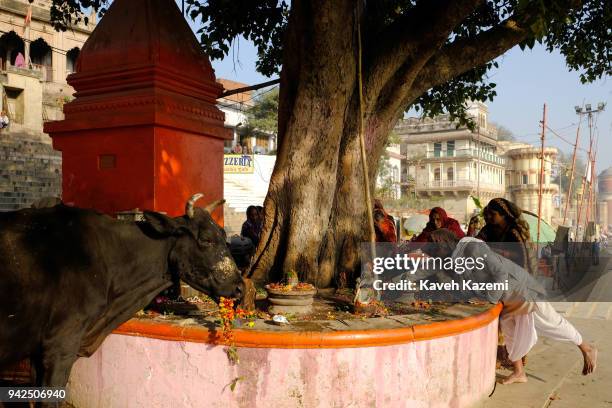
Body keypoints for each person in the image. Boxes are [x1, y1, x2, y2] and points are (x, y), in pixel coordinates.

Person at [425, 229, 597, 385]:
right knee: (510, 334)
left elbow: (500, 273)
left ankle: (586, 347)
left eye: (435, 249)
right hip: (505, 298)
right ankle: (519, 372)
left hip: (521, 290)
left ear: (443, 243)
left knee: (552, 321)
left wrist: (490, 298)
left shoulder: (471, 248)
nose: (435, 253)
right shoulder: (455, 258)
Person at [477, 198, 537, 275]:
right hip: (493, 269)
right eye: (488, 213)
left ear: (504, 215)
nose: (488, 216)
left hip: (513, 272)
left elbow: (521, 256)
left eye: (493, 214)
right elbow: (476, 243)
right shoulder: (488, 229)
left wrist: (498, 252)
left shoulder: (514, 232)